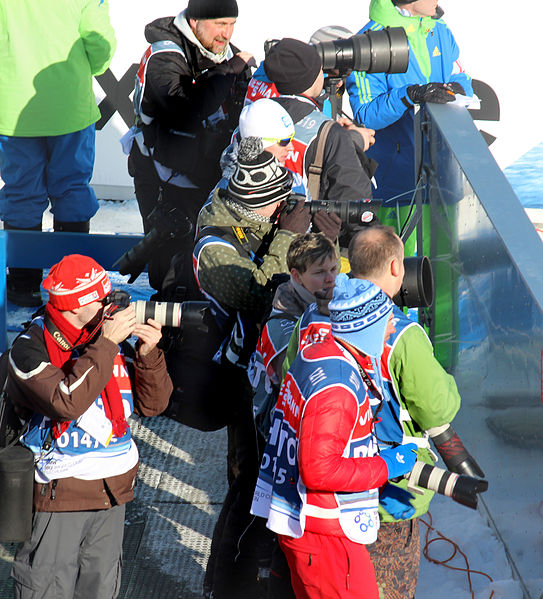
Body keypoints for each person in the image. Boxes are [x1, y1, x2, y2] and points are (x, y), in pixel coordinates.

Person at [282, 224, 462, 598]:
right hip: (391, 493)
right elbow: (437, 407)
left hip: (321, 505)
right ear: (397, 268)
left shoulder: (311, 319)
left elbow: (288, 379)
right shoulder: (401, 332)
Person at [7, 254, 172, 598]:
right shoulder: (28, 348)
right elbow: (66, 402)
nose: (109, 306)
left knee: (100, 589)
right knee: (45, 589)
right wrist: (107, 344)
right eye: (101, 298)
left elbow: (153, 405)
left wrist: (148, 355)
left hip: (111, 492)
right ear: (75, 305)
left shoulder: (103, 337)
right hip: (58, 494)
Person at [193, 136, 311, 598]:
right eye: (277, 205)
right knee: (248, 490)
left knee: (256, 489)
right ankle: (227, 586)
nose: (283, 208)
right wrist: (288, 237)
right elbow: (261, 295)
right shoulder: (215, 245)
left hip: (257, 376)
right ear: (255, 207)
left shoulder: (247, 221)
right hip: (233, 385)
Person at [252, 274, 418, 599]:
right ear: (364, 328)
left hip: (309, 526)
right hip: (325, 532)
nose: (391, 329)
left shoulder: (319, 352)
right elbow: (319, 470)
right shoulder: (337, 386)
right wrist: (384, 466)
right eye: (386, 321)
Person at [124, 0, 254, 298]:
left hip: (208, 175)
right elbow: (183, 109)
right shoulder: (164, 54)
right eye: (220, 24)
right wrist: (229, 71)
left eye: (232, 24)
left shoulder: (227, 53)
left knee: (207, 262)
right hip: (164, 177)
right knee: (171, 271)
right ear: (194, 21)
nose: (227, 33)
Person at [0, 0, 116, 307]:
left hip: (13, 109)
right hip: (69, 105)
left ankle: (23, 282)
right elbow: (99, 42)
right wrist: (91, 67)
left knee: (21, 191)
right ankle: (75, 280)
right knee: (72, 188)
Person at [346, 0, 473, 204]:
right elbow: (365, 116)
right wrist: (409, 95)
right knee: (398, 237)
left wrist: (459, 89)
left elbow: (461, 76)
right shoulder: (369, 41)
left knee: (444, 234)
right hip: (396, 186)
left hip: (444, 178)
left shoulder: (439, 29)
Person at [256, 39, 378, 222]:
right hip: (306, 240)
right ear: (311, 77)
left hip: (255, 233)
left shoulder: (254, 116)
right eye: (320, 70)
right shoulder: (329, 133)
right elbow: (355, 209)